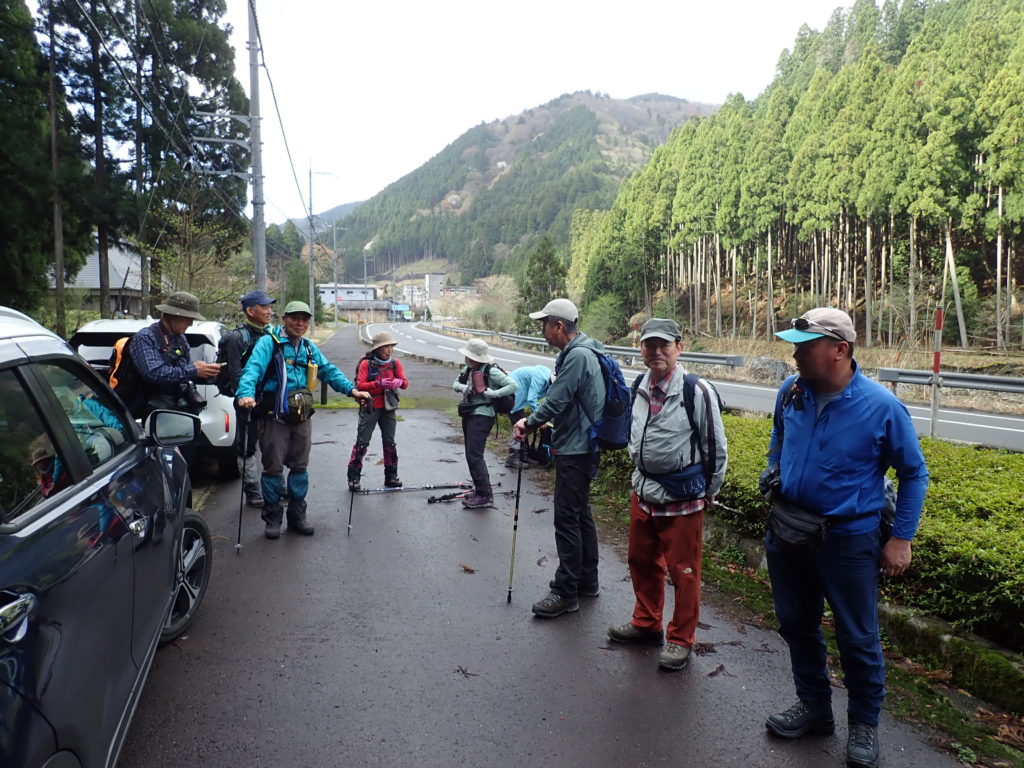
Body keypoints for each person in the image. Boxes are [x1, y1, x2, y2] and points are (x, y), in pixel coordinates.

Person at [763, 307, 929, 768]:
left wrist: (901, 538)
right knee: (796, 624)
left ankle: (863, 725)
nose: (795, 354)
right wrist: (772, 470)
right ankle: (814, 707)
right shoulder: (791, 391)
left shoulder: (881, 407)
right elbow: (779, 437)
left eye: (806, 346)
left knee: (857, 638)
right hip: (789, 529)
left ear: (840, 349)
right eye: (795, 345)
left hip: (848, 542)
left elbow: (914, 473)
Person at [606, 318, 727, 671]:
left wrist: (710, 490)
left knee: (684, 571)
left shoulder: (696, 390)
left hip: (682, 497)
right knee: (641, 560)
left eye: (664, 345)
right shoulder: (639, 384)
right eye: (649, 345)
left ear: (679, 348)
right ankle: (646, 623)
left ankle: (681, 638)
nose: (656, 351)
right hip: (644, 490)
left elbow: (716, 447)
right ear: (640, 348)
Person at [236, 301, 370, 539]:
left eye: (304, 320)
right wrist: (245, 394)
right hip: (274, 417)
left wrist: (352, 391)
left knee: (300, 468)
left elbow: (328, 370)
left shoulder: (308, 348)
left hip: (301, 417)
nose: (300, 323)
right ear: (284, 319)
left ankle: (297, 516)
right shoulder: (269, 343)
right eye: (295, 318)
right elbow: (252, 369)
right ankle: (272, 518)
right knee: (273, 469)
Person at [513, 298, 605, 618]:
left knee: (566, 518)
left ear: (559, 326)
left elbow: (555, 401)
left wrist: (528, 423)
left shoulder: (577, 356)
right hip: (584, 445)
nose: (542, 330)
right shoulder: (584, 351)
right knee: (580, 514)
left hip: (576, 448)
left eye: (545, 324)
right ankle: (587, 581)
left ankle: (566, 591)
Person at [220, 290, 275, 507]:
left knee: (273, 444)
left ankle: (276, 487)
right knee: (247, 447)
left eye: (270, 307)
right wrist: (244, 397)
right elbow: (235, 374)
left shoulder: (271, 334)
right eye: (264, 307)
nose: (269, 311)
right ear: (250, 311)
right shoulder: (237, 338)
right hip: (247, 401)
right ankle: (252, 490)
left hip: (268, 399)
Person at [128, 291, 221, 418]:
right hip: (152, 412)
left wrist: (206, 371)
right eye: (188, 319)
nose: (190, 324)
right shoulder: (146, 337)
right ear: (173, 315)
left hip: (177, 409)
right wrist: (194, 370)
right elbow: (154, 373)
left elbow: (183, 370)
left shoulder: (180, 338)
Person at [451, 338, 517, 509]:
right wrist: (463, 388)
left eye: (469, 356)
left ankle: (485, 495)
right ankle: (481, 490)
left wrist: (493, 394)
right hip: (470, 413)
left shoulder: (491, 371)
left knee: (474, 455)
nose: (466, 358)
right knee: (471, 454)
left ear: (475, 357)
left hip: (483, 416)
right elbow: (455, 383)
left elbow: (512, 385)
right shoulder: (468, 369)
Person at [347, 331, 409, 491]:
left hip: (389, 407)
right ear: (377, 349)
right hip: (370, 406)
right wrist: (378, 384)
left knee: (390, 442)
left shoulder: (395, 363)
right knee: (362, 442)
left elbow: (405, 383)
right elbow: (360, 385)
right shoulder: (366, 364)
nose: (390, 350)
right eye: (386, 347)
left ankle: (391, 477)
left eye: (391, 346)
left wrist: (397, 382)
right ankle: (353, 477)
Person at [503, 364, 551, 468]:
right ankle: (512, 458)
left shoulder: (547, 378)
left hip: (518, 397)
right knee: (520, 427)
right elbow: (532, 399)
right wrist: (541, 419)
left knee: (527, 427)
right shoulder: (540, 378)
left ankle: (523, 456)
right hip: (512, 398)